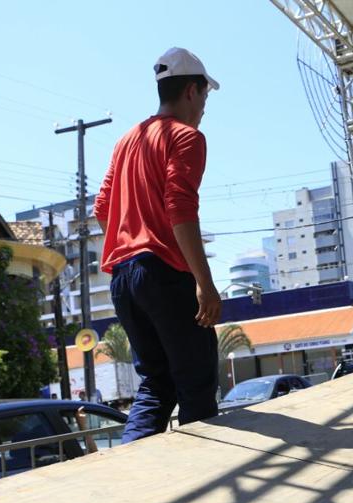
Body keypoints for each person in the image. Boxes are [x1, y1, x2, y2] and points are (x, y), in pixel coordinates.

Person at [94, 47, 222, 443]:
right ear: (190, 92)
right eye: (205, 96)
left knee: (155, 385)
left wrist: (134, 236)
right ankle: (203, 480)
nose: (204, 107)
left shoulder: (127, 140)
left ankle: (129, 472)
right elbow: (179, 207)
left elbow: (102, 208)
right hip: (163, 274)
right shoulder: (186, 137)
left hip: (123, 277)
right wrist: (204, 281)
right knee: (197, 384)